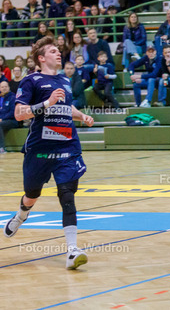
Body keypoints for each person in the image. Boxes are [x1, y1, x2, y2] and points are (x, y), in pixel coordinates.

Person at [5, 36, 94, 269]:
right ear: (41, 58)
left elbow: (66, 107)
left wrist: (81, 115)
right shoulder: (31, 81)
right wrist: (46, 103)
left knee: (67, 194)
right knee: (31, 194)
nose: (58, 53)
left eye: (58, 50)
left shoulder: (65, 80)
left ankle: (72, 251)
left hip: (66, 147)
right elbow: (19, 113)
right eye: (53, 51)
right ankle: (22, 215)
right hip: (40, 149)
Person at [0, 80, 20, 153]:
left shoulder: (12, 97)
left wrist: (2, 119)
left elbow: (12, 112)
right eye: (2, 87)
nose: (4, 88)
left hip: (12, 121)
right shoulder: (0, 98)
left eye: (6, 86)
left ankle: (1, 148)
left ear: (9, 87)